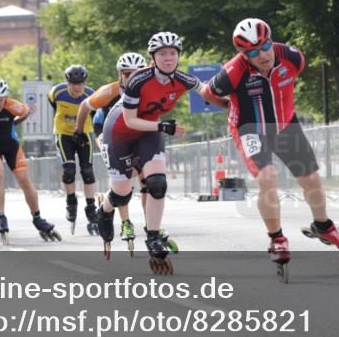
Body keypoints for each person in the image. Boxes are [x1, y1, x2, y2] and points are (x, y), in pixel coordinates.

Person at [208, 18, 339, 270]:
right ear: (243, 54)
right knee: (268, 177)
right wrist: (230, 107)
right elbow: (208, 93)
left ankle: (324, 227)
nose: (262, 54)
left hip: (285, 125)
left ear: (271, 40)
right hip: (250, 129)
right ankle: (276, 238)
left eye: (265, 45)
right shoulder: (233, 71)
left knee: (311, 179)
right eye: (253, 52)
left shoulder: (292, 57)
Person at [95, 33, 223, 271]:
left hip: (149, 130)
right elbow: (131, 120)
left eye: (173, 53)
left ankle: (152, 236)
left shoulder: (183, 78)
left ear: (178, 56)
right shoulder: (137, 80)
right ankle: (105, 209)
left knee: (157, 183)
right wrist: (164, 126)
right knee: (122, 194)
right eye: (162, 53)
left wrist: (232, 104)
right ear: (152, 58)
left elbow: (206, 91)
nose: (168, 58)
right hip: (121, 132)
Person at [73, 52, 152, 245]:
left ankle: (150, 225)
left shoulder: (149, 89)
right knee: (123, 175)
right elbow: (84, 106)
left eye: (138, 74)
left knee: (146, 181)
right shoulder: (110, 91)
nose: (132, 78)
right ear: (119, 75)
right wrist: (79, 131)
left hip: (134, 132)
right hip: (107, 133)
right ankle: (126, 222)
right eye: (127, 74)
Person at [0, 78, 60, 242]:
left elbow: (26, 112)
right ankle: (1, 216)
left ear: (6, 98)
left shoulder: (14, 106)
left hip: (10, 144)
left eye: (0, 100)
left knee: (24, 180)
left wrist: (14, 122)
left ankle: (37, 217)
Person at [49, 65, 97, 233]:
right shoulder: (56, 93)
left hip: (84, 133)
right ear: (67, 82)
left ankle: (91, 208)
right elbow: (53, 106)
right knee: (69, 170)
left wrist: (83, 129)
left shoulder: (91, 95)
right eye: (72, 83)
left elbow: (94, 115)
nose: (76, 87)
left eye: (80, 83)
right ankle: (71, 201)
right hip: (64, 134)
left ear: (85, 83)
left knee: (88, 171)